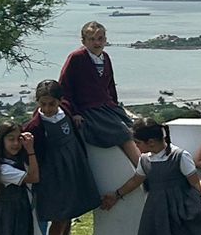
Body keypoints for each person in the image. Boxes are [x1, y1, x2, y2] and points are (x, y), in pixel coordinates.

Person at [24, 78, 101, 235]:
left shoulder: (65, 111)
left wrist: (76, 116)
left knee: (69, 216)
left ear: (59, 101)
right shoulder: (35, 127)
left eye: (52, 104)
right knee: (59, 218)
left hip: (72, 169)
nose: (47, 108)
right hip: (54, 176)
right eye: (43, 104)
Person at [59, 21, 140, 165]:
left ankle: (148, 164)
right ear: (84, 41)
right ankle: (143, 169)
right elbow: (64, 88)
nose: (97, 43)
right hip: (88, 109)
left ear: (105, 40)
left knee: (137, 129)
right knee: (123, 133)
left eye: (100, 38)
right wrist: (73, 112)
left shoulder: (105, 58)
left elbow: (110, 86)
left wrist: (115, 107)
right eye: (92, 39)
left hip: (107, 107)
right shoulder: (76, 58)